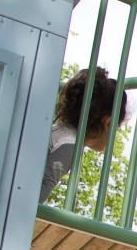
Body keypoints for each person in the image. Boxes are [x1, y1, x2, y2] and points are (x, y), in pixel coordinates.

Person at [41, 65, 129, 201]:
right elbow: (35, 197)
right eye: (117, 127)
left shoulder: (58, 132)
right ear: (107, 121)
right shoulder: (69, 146)